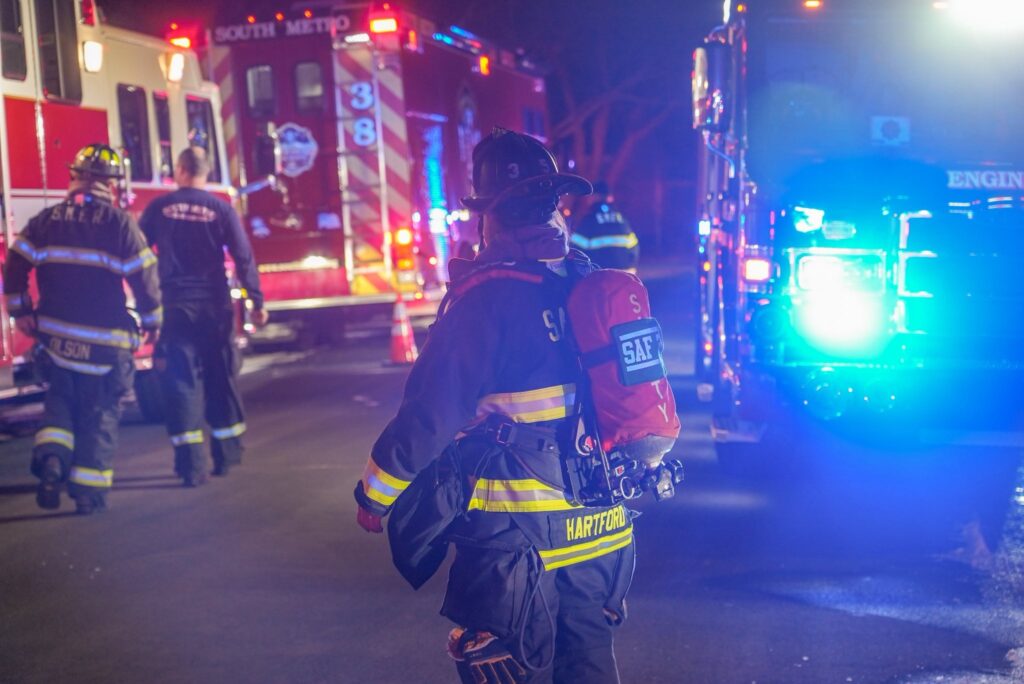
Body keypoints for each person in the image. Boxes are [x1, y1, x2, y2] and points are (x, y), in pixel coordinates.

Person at [354, 128, 635, 683]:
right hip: (603, 526)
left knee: (505, 671)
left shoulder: (485, 297)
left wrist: (375, 494)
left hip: (517, 535)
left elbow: (432, 412)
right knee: (588, 668)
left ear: (490, 215)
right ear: (555, 206)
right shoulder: (590, 282)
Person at [3, 143, 162, 515]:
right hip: (104, 345)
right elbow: (144, 277)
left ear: (74, 176)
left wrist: (21, 310)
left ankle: (52, 460)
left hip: (56, 340)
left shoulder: (46, 220)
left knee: (59, 406)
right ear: (111, 184)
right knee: (99, 415)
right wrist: (153, 322)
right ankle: (88, 493)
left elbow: (14, 262)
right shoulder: (120, 223)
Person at [140, 147, 267, 487]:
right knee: (220, 378)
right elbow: (243, 256)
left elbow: (137, 254)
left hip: (175, 308)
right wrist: (256, 301)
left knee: (181, 383)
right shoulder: (221, 209)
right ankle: (226, 456)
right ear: (206, 172)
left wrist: (146, 303)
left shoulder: (159, 208)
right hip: (214, 309)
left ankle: (190, 466)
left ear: (180, 170)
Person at [569, 182, 640, 272]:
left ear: (594, 197)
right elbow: (634, 246)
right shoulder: (621, 218)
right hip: (626, 273)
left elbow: (576, 247)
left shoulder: (590, 219)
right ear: (609, 197)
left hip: (602, 274)